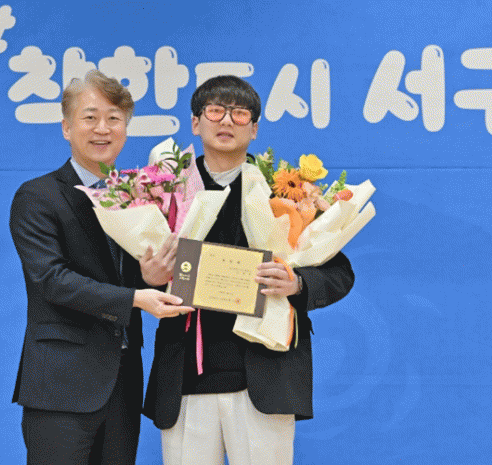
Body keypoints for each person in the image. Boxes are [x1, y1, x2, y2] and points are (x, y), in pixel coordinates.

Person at [142, 75, 355, 465]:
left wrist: (296, 283)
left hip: (264, 375)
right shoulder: (165, 190)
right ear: (195, 123)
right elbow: (132, 269)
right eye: (215, 111)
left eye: (239, 114)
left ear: (254, 129)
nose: (226, 121)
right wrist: (149, 278)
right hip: (186, 376)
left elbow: (339, 274)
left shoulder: (284, 190)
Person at [10, 69, 193, 465]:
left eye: (114, 118)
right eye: (90, 117)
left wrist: (150, 279)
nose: (102, 129)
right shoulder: (38, 196)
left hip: (123, 381)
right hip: (62, 384)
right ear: (66, 127)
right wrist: (136, 297)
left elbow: (133, 277)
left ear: (125, 129)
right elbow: (52, 280)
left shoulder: (139, 197)